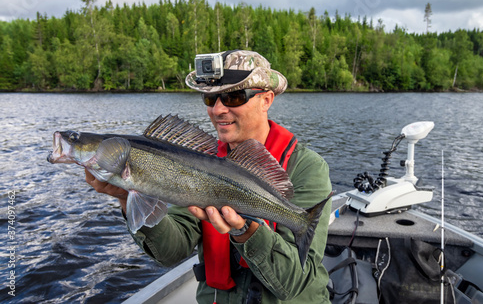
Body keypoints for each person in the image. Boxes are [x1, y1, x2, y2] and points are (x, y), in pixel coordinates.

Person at [85, 50, 333, 303]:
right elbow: (172, 251)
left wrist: (246, 230)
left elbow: (297, 282)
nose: (218, 110)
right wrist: (128, 198)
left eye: (234, 97)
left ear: (266, 99)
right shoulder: (198, 163)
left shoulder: (307, 167)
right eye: (210, 98)